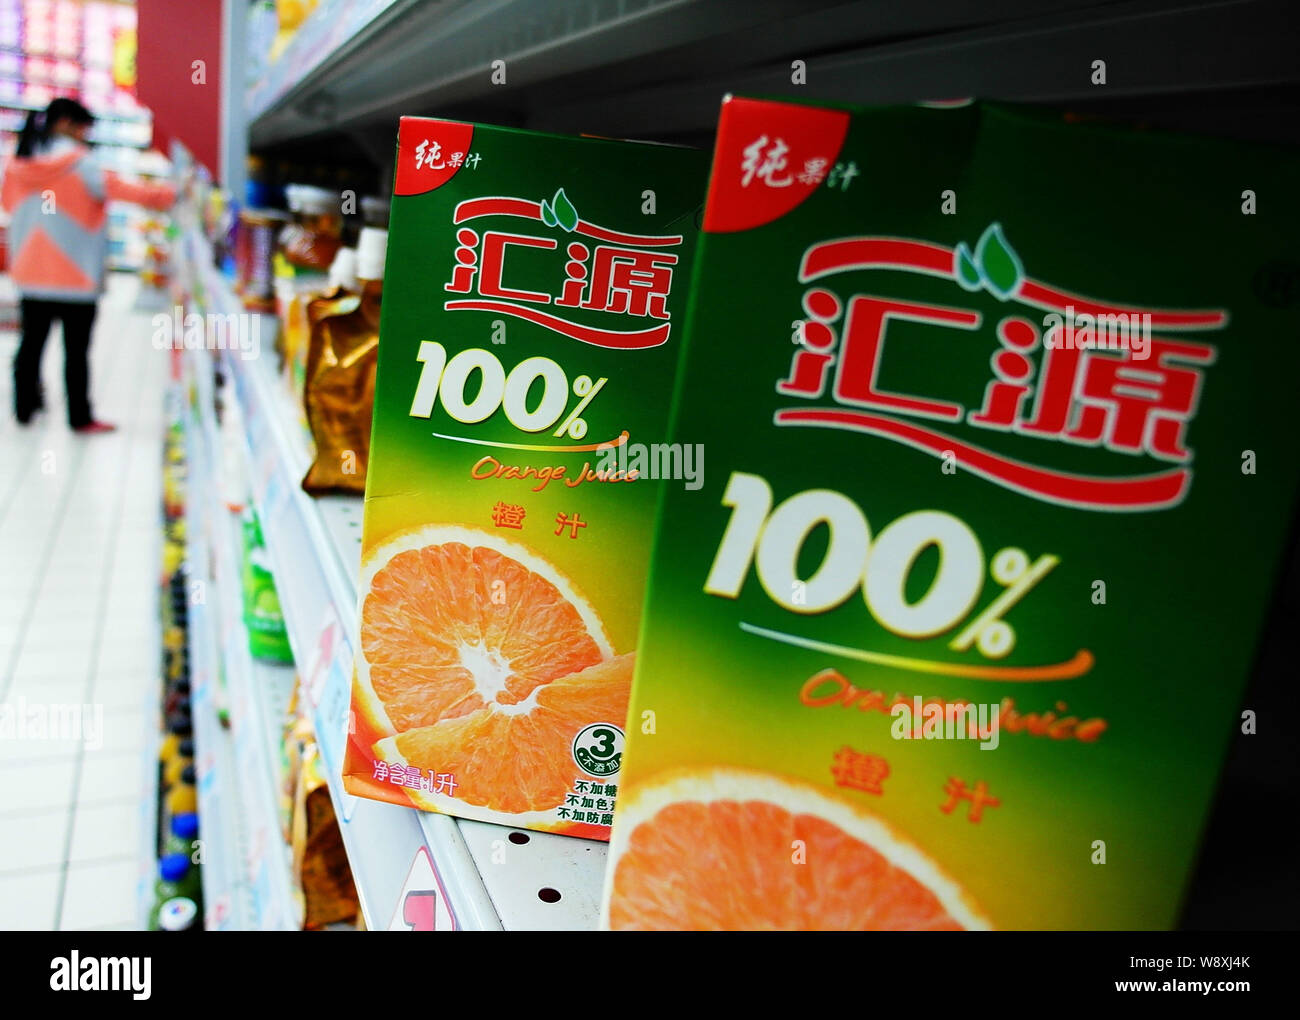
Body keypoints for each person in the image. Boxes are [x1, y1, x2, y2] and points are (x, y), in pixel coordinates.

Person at [1, 97, 175, 433]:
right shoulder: (84, 166)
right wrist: (176, 193)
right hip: (74, 275)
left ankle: (24, 408)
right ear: (66, 123)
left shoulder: (17, 165)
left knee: (31, 344)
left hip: (31, 270)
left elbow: (9, 205)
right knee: (76, 351)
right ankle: (79, 417)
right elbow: (136, 194)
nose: (86, 136)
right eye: (84, 128)